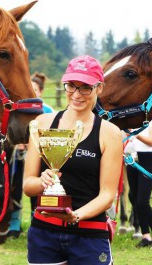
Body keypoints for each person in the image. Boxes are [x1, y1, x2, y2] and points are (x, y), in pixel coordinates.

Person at [23, 55, 123, 264]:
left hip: (89, 234)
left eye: (85, 87)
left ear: (99, 88)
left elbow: (107, 194)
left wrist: (75, 216)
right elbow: (27, 185)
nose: (77, 94)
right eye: (71, 86)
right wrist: (43, 181)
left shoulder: (109, 133)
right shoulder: (42, 123)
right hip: (44, 233)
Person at [125, 117, 152, 249]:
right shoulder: (136, 120)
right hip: (132, 158)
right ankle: (146, 236)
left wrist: (135, 134)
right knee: (134, 197)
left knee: (143, 201)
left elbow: (151, 141)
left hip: (147, 159)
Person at [29, 73, 55, 218]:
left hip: (44, 156)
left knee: (43, 186)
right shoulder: (23, 109)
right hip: (24, 153)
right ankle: (15, 221)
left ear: (41, 91)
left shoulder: (49, 111)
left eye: (36, 90)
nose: (33, 93)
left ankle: (39, 215)